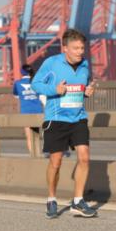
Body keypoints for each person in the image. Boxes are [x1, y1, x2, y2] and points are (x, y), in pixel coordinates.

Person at [30, 29, 98, 219]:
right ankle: (51, 198)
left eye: (82, 48)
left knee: (84, 157)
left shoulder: (84, 65)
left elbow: (79, 88)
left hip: (78, 118)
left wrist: (86, 92)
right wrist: (54, 89)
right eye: (75, 48)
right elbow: (35, 84)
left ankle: (78, 201)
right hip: (56, 119)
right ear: (65, 48)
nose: (80, 52)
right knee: (56, 161)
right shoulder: (52, 63)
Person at [13, 64, 44, 154]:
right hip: (37, 110)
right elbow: (41, 94)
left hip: (25, 111)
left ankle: (33, 154)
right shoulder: (36, 82)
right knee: (36, 134)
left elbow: (16, 96)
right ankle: (38, 152)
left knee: (29, 136)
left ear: (21, 72)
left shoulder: (17, 83)